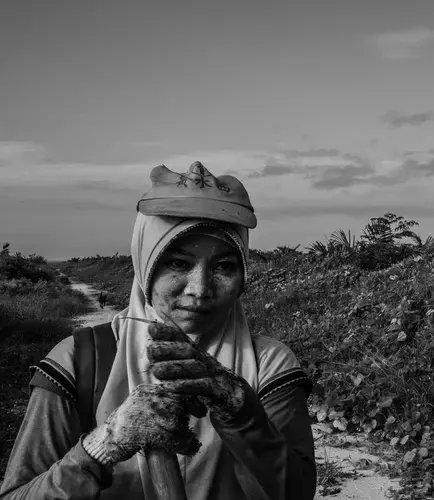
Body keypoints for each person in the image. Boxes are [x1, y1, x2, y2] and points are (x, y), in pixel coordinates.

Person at [0, 162, 316, 499]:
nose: (200, 288)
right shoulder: (79, 358)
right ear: (145, 266)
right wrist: (102, 446)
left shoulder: (269, 363)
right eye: (178, 263)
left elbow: (295, 493)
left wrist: (242, 413)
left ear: (243, 277)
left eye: (224, 266)